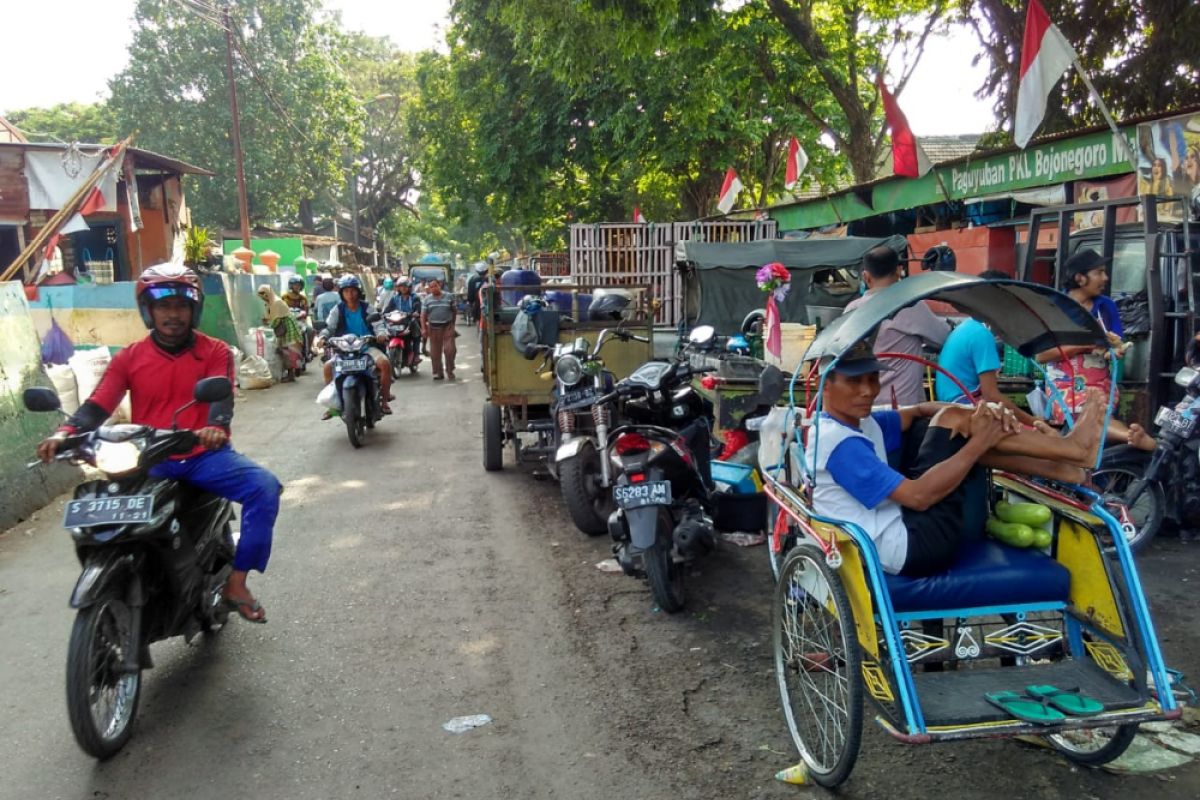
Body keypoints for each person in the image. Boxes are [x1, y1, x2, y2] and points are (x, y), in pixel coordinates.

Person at [36, 265, 278, 622]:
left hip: (201, 454)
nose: (172, 315)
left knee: (265, 488)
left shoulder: (216, 352)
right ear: (148, 311)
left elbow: (220, 402)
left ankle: (237, 583)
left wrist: (214, 428)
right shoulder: (129, 357)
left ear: (193, 310)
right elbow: (98, 404)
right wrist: (64, 435)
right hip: (147, 456)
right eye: (163, 307)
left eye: (181, 306)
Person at [807, 340, 1104, 577]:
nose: (868, 391)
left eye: (873, 380)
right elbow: (919, 497)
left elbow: (917, 412)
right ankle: (1073, 450)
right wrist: (978, 441)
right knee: (952, 426)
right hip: (910, 548)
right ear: (826, 385)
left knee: (941, 422)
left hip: (905, 528)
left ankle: (1065, 468)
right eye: (855, 382)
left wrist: (977, 415)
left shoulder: (859, 423)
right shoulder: (840, 444)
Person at [1036, 249, 1154, 450]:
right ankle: (1131, 437)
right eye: (1099, 272)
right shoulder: (1054, 307)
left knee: (1098, 414)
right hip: (1065, 385)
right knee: (1085, 416)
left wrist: (1115, 351)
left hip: (1100, 381)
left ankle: (1128, 441)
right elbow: (1042, 356)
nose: (1105, 278)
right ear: (1080, 278)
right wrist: (1086, 345)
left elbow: (1113, 345)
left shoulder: (1106, 306)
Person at [934, 269, 1046, 429]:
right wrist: (1032, 421)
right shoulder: (981, 335)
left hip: (953, 408)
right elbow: (991, 395)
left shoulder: (968, 328)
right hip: (966, 410)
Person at [843, 246, 949, 406]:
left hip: (863, 405)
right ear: (899, 271)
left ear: (866, 276)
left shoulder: (852, 310)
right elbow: (943, 337)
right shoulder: (910, 305)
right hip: (902, 411)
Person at [321, 274, 394, 414]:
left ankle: (384, 401)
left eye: (353, 290)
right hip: (343, 349)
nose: (350, 294)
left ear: (358, 291)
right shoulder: (338, 309)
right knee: (327, 367)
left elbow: (378, 324)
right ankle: (333, 403)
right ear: (341, 293)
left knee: (385, 364)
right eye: (346, 291)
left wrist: (381, 334)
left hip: (366, 347)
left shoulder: (367, 308)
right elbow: (329, 327)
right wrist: (323, 337)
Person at [256, 284, 303, 382]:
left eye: (264, 295)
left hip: (288, 328)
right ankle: (293, 370)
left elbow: (276, 320)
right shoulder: (270, 303)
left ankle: (292, 373)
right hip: (283, 328)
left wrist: (267, 326)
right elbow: (271, 316)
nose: (263, 298)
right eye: (261, 296)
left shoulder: (276, 303)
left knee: (289, 351)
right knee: (285, 350)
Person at [421, 278, 457, 380]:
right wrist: (424, 328)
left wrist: (453, 324)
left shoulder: (449, 297)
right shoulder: (427, 300)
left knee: (450, 350)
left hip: (447, 326)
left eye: (435, 286)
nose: (433, 288)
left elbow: (454, 311)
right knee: (435, 353)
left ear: (439, 285)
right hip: (433, 327)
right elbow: (423, 315)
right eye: (431, 287)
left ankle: (450, 370)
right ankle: (438, 372)